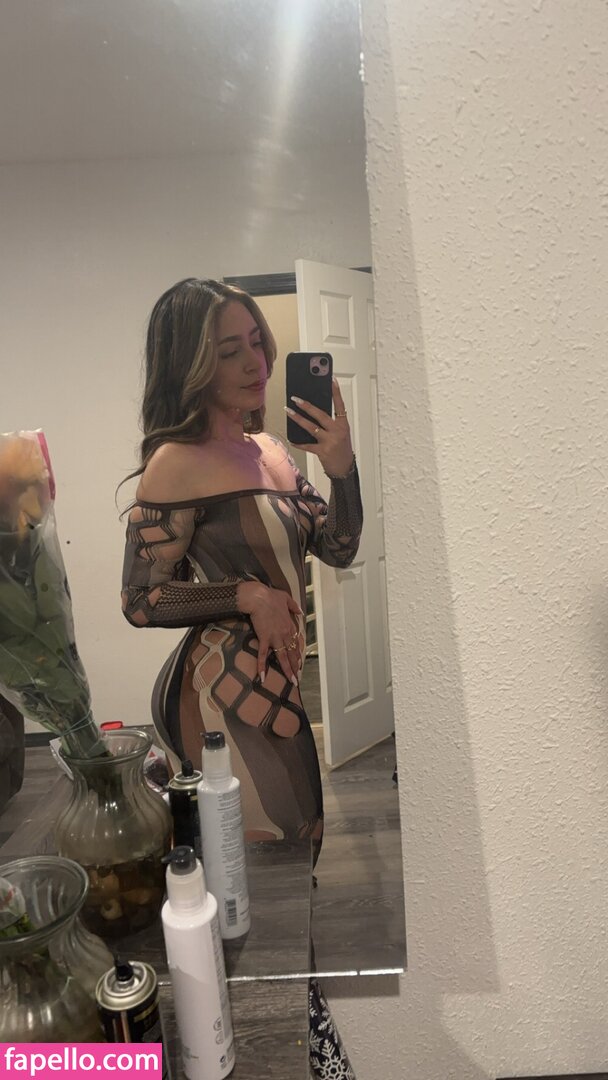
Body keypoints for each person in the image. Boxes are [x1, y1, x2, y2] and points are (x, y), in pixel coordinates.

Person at [121, 277, 362, 1079]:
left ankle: (297, 1039)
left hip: (282, 691)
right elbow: (142, 599)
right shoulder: (174, 464)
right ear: (191, 365)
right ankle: (265, 1049)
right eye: (230, 350)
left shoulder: (273, 451)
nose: (256, 361)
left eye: (256, 340)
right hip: (221, 697)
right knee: (257, 880)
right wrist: (245, 594)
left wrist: (342, 468)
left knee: (300, 856)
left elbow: (338, 548)